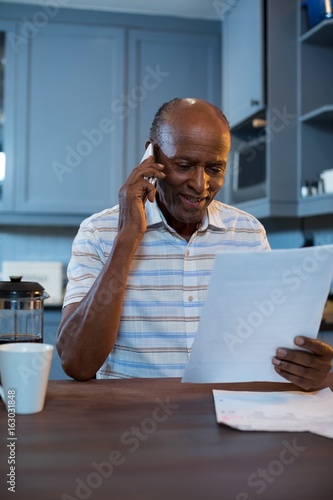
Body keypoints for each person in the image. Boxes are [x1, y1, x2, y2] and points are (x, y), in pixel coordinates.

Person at [56, 97, 333, 389]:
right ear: (151, 156)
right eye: (185, 165)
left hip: (221, 415)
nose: (201, 185)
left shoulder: (248, 233)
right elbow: (78, 363)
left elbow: (267, 348)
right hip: (128, 418)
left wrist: (306, 368)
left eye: (215, 169)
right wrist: (127, 237)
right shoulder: (98, 232)